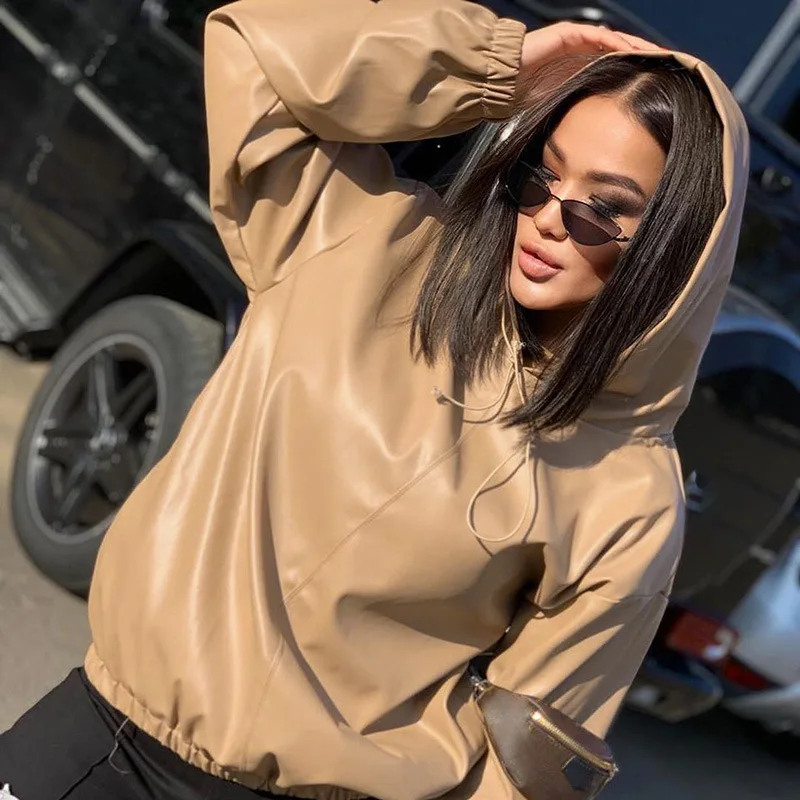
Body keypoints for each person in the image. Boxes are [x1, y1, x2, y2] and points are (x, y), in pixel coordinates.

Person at [0, 1, 748, 799]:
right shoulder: (366, 243)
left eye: (602, 209)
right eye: (541, 174)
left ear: (674, 252)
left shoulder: (627, 493)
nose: (547, 220)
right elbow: (256, 54)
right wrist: (495, 65)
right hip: (97, 744)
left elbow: (522, 768)